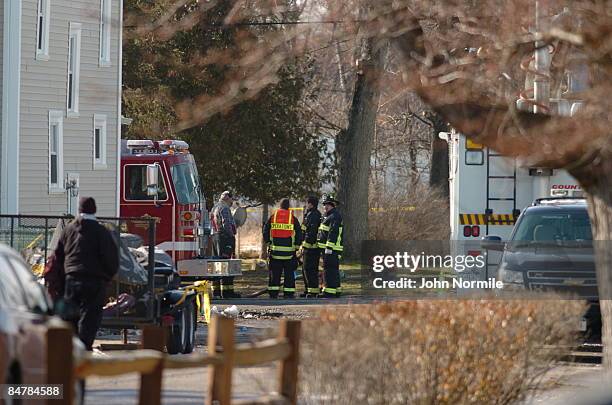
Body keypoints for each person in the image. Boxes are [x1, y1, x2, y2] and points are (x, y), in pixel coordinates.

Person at [54, 197, 119, 350]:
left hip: (72, 278)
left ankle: (71, 349)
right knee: (90, 317)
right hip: (95, 281)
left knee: (71, 317)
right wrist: (108, 277)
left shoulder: (68, 230)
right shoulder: (102, 232)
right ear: (94, 210)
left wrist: (62, 280)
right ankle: (83, 349)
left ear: (79, 210)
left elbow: (58, 257)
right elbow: (111, 259)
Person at [263, 198, 302, 298]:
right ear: (288, 206)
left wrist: (268, 242)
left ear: (279, 206)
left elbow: (265, 230)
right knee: (289, 275)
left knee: (275, 274)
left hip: (275, 252)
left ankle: (273, 293)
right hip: (289, 253)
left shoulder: (273, 216)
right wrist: (297, 246)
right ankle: (288, 294)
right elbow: (299, 232)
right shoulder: (292, 218)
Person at [210, 190, 241, 298]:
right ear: (228, 198)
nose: (232, 202)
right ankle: (227, 292)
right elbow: (226, 224)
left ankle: (216, 292)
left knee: (217, 264)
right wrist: (231, 236)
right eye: (232, 199)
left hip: (215, 238)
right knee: (226, 264)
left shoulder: (215, 207)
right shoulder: (225, 208)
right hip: (224, 238)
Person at [317, 195, 344, 298]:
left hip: (332, 249)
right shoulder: (328, 216)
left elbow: (333, 232)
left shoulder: (334, 216)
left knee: (329, 270)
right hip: (328, 248)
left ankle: (329, 292)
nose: (325, 206)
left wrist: (329, 247)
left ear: (332, 205)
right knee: (333, 269)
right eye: (324, 204)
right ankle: (336, 290)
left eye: (327, 204)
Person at [300, 196, 322, 297]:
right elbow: (304, 230)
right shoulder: (309, 214)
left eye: (307, 203)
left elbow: (311, 232)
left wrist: (305, 245)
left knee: (310, 269)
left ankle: (313, 291)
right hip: (308, 247)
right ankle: (308, 289)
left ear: (311, 204)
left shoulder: (314, 215)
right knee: (305, 269)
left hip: (312, 248)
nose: (306, 204)